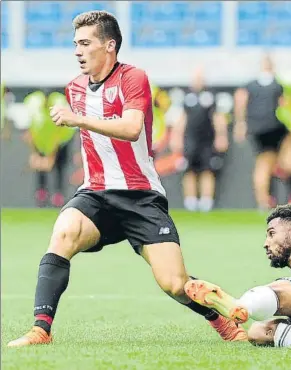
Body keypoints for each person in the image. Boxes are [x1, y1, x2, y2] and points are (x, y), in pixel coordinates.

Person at [7, 10, 245, 348]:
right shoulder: (74, 88)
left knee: (174, 283)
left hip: (140, 196)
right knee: (63, 234)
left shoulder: (133, 78)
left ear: (109, 46)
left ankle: (218, 318)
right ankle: (40, 329)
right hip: (95, 193)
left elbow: (132, 128)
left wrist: (79, 119)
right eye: (75, 43)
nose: (77, 50)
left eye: (85, 43)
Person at [184, 204, 291, 348]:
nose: (266, 243)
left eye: (271, 233)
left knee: (277, 289)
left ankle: (239, 306)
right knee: (259, 332)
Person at [233, 55, 291, 209]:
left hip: (258, 129)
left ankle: (264, 200)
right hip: (276, 127)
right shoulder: (279, 84)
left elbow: (240, 99)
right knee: (286, 160)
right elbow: (287, 104)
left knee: (264, 163)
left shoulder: (250, 85)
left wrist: (240, 124)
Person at [170, 67, 229, 212]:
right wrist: (176, 137)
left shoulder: (211, 96)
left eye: (200, 78)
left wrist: (221, 136)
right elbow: (181, 119)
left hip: (207, 141)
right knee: (189, 170)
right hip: (190, 140)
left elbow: (218, 117)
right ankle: (190, 202)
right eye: (195, 78)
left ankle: (206, 201)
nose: (198, 81)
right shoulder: (186, 96)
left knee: (207, 170)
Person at [22, 90, 76, 207]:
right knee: (41, 166)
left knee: (59, 166)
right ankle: (41, 193)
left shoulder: (60, 107)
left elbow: (58, 135)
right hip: (42, 141)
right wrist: (34, 154)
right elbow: (30, 133)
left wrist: (51, 156)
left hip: (62, 139)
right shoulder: (33, 107)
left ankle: (58, 193)